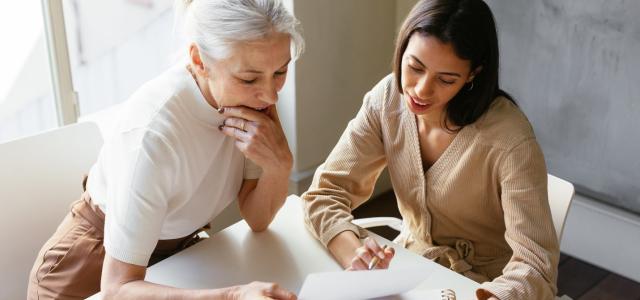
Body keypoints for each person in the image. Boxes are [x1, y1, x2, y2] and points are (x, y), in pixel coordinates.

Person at [28, 0, 304, 299]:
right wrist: (232, 295)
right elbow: (117, 288)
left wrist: (280, 164)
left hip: (176, 257)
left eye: (280, 72)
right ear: (199, 61)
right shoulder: (153, 134)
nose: (270, 95)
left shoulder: (252, 103)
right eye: (248, 78)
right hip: (88, 270)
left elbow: (257, 218)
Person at [302, 0, 559, 299]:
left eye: (446, 79)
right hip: (407, 271)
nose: (421, 89)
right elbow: (325, 193)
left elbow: (536, 265)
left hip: (485, 287)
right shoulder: (386, 99)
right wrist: (355, 254)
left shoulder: (510, 141)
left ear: (473, 74)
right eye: (414, 67)